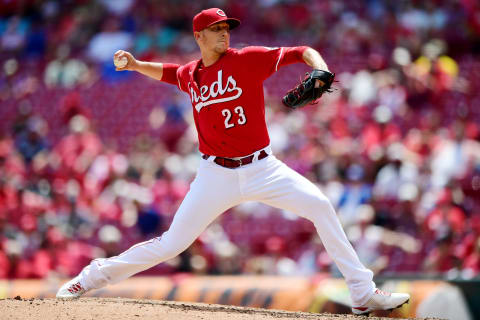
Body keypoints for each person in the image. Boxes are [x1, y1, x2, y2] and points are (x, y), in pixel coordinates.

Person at [56, 8, 410, 315]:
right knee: (172, 244)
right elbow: (168, 72)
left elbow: (302, 51)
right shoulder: (191, 74)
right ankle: (91, 277)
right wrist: (134, 65)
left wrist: (321, 68)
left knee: (319, 205)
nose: (225, 34)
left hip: (262, 168)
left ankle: (362, 293)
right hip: (215, 174)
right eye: (217, 30)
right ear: (199, 36)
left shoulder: (246, 59)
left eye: (227, 29)